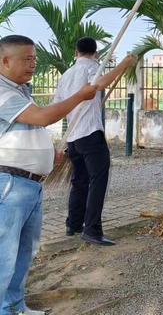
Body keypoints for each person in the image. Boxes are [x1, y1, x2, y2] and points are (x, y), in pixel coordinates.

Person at [0, 35, 98, 315]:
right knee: (4, 256)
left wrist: (47, 154)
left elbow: (28, 129)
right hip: (9, 185)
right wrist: (80, 95)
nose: (33, 64)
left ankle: (14, 307)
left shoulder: (20, 91)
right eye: (26, 59)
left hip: (28, 185)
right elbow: (43, 117)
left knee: (22, 254)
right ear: (4, 61)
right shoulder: (2, 91)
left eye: (34, 58)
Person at [54, 37, 137, 246]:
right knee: (97, 181)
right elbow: (98, 84)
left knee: (79, 181)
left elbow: (58, 105)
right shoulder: (93, 68)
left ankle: (73, 224)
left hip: (73, 138)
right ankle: (91, 229)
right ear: (96, 53)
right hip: (90, 134)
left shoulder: (66, 75)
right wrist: (124, 65)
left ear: (76, 52)